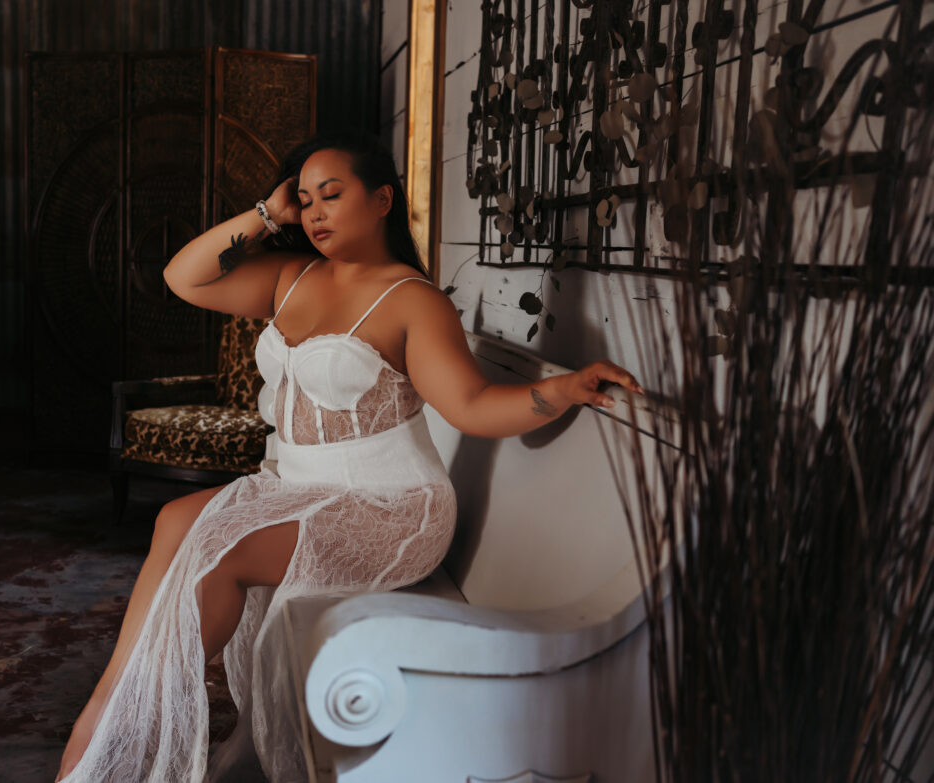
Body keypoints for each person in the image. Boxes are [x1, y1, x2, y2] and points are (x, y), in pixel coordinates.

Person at [54, 128, 644, 782]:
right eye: (304, 200)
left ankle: (132, 734)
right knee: (175, 521)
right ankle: (106, 706)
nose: (314, 212)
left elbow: (472, 404)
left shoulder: (413, 300)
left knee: (219, 555)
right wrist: (266, 215)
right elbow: (182, 276)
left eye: (331, 195)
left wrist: (560, 389)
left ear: (383, 199)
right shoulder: (289, 273)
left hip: (388, 507)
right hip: (296, 486)